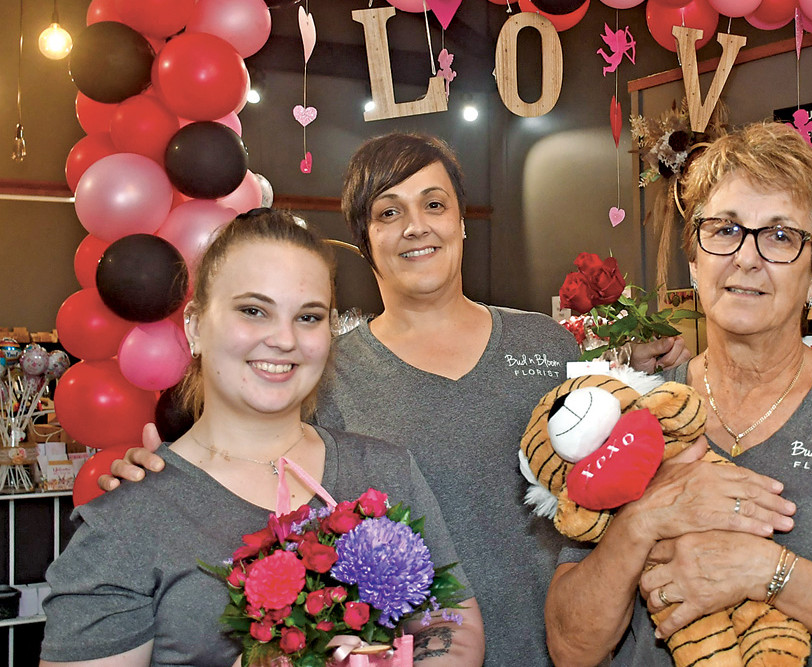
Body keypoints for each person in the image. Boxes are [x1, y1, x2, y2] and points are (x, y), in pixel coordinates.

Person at [99, 133, 691, 664]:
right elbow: (247, 473)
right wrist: (157, 479)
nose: (416, 226)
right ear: (365, 240)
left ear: (461, 223)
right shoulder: (321, 375)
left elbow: (620, 465)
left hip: (578, 646)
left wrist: (657, 373)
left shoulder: (543, 341)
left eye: (434, 204)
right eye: (389, 212)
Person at [545, 122, 812, 666]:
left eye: (781, 235)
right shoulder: (629, 414)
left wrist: (766, 572)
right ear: (694, 258)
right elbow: (571, 647)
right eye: (725, 230)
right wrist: (643, 520)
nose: (746, 257)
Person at [41, 210, 484, 666]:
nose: (284, 339)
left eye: (309, 317)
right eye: (254, 311)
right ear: (195, 326)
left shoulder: (383, 471)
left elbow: (453, 630)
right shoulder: (128, 520)